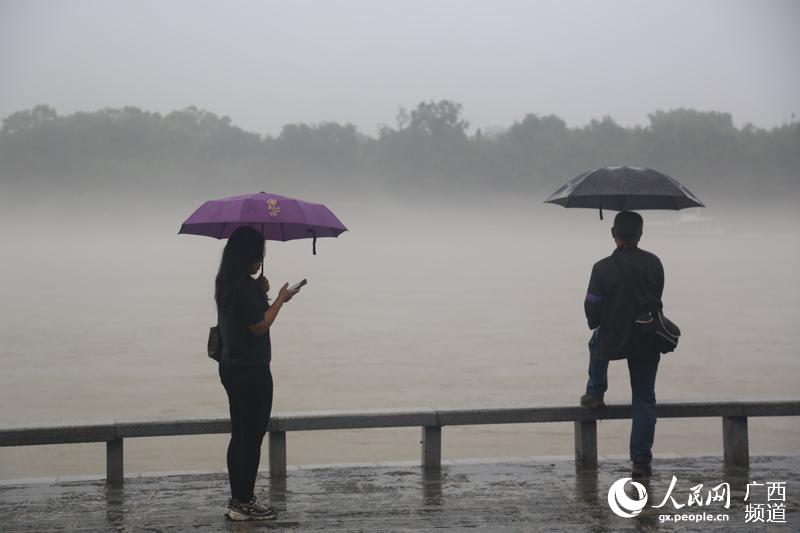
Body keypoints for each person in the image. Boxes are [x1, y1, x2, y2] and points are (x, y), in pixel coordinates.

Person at [214, 226, 301, 521]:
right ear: (249, 256)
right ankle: (245, 502)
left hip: (230, 366)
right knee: (252, 437)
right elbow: (258, 325)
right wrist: (280, 299)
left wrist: (260, 291)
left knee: (239, 434)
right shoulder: (245, 287)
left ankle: (236, 499)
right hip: (252, 370)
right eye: (258, 255)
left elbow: (241, 316)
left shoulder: (226, 282)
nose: (259, 260)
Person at [580, 211, 664, 478]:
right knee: (644, 398)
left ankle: (595, 392)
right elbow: (658, 295)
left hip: (613, 336)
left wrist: (602, 321)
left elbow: (592, 308)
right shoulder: (654, 263)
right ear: (641, 234)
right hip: (647, 336)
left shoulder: (602, 268)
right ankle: (641, 461)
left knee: (596, 340)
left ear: (613, 234)